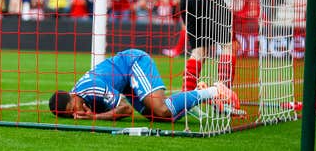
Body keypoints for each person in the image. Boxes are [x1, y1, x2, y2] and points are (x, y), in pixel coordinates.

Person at [49, 49, 240, 121]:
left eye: (72, 109)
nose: (76, 112)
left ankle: (215, 91)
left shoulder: (92, 88)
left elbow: (125, 110)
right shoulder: (80, 98)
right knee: (163, 118)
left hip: (134, 63)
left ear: (72, 96)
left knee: (162, 109)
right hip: (125, 84)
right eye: (71, 115)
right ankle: (199, 92)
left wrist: (93, 118)